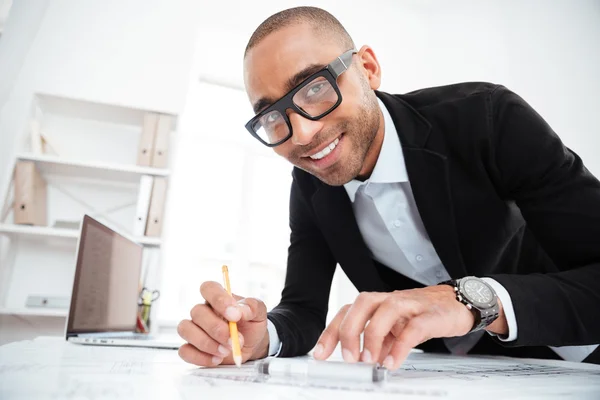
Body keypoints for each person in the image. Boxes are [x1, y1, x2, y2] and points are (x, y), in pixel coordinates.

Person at [176, 6, 600, 369]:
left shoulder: (487, 119)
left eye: (316, 88)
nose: (302, 135)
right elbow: (303, 309)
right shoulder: (310, 185)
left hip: (581, 356)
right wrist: (263, 335)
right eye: (271, 117)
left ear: (368, 69)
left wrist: (474, 301)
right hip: (456, 378)